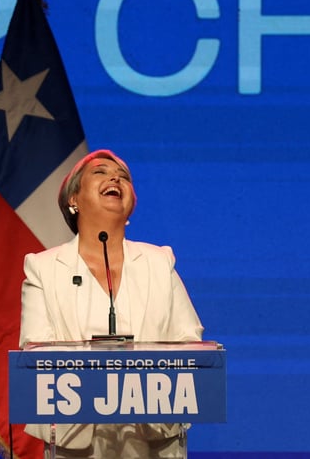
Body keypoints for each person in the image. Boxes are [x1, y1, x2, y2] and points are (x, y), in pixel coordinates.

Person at [19, 149, 204, 458]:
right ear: (73, 199)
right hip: (76, 440)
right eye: (100, 172)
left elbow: (191, 345)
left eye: (124, 176)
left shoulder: (159, 262)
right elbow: (37, 353)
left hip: (154, 439)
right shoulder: (43, 268)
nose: (115, 177)